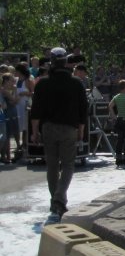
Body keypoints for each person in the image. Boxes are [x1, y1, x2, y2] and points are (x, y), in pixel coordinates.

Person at [29, 47, 89, 221]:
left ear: (52, 63)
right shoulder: (76, 83)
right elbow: (83, 111)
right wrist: (81, 131)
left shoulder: (43, 83)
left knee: (52, 166)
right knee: (68, 165)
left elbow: (35, 111)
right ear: (66, 63)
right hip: (69, 129)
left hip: (48, 128)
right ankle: (60, 197)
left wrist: (34, 132)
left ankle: (55, 200)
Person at [108, 79, 125, 165]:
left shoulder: (116, 96)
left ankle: (118, 158)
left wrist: (114, 116)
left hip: (119, 120)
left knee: (119, 140)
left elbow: (110, 106)